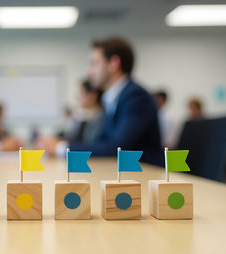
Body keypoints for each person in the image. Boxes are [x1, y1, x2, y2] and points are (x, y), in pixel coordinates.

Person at [37, 37, 162, 165]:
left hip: (145, 174)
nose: (89, 71)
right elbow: (99, 143)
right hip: (123, 173)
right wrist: (61, 143)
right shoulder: (112, 98)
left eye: (94, 63)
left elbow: (117, 149)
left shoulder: (136, 97)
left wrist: (61, 148)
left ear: (114, 64)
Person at [64, 79, 103, 143]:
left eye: (80, 94)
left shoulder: (102, 119)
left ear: (93, 96)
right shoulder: (88, 118)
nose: (77, 98)